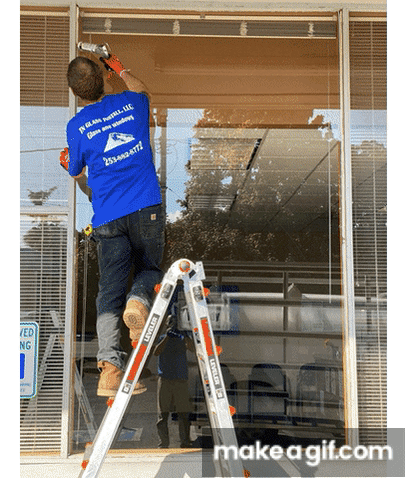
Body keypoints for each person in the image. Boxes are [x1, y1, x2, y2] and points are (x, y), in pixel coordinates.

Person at [63, 53, 164, 396]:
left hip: (107, 216)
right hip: (145, 205)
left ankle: (109, 370)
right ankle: (138, 302)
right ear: (104, 78)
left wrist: (69, 165)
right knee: (149, 269)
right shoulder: (131, 102)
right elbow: (143, 89)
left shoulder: (76, 126)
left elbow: (76, 171)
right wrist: (118, 67)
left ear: (75, 93)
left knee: (108, 292)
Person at [154, 315, 194, 448]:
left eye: (175, 323)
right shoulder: (162, 338)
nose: (173, 325)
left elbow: (193, 349)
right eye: (170, 323)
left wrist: (185, 335)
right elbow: (156, 352)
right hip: (165, 379)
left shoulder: (183, 338)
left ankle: (185, 442)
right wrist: (167, 336)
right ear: (166, 324)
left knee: (183, 413)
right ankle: (163, 443)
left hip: (180, 379)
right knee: (162, 414)